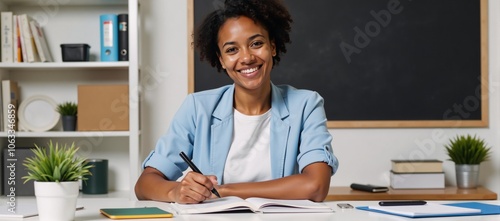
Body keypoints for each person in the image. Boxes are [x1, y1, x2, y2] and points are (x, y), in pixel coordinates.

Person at [135, 0, 339, 204]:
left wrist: (223, 191)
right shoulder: (198, 108)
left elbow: (316, 186)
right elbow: (144, 184)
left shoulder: (305, 105)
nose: (247, 57)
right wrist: (176, 191)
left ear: (273, 47)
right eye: (232, 50)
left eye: (256, 43)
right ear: (221, 59)